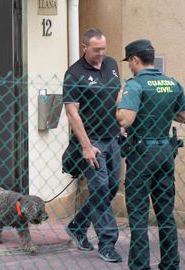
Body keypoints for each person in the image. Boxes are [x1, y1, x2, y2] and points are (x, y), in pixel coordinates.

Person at [116, 39, 185, 270]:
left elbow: (126, 119)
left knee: (138, 214)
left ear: (135, 59)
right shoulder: (171, 83)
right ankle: (170, 264)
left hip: (142, 154)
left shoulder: (135, 85)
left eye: (130, 61)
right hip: (165, 153)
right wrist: (163, 113)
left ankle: (140, 266)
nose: (129, 66)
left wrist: (120, 103)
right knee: (165, 213)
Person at [63, 28, 123, 263]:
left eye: (103, 49)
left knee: (111, 187)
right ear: (84, 47)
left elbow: (117, 95)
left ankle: (78, 226)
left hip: (113, 137)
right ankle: (107, 242)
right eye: (96, 50)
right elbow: (72, 113)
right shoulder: (74, 73)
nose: (101, 54)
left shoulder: (111, 64)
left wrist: (122, 123)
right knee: (99, 188)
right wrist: (86, 146)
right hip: (92, 141)